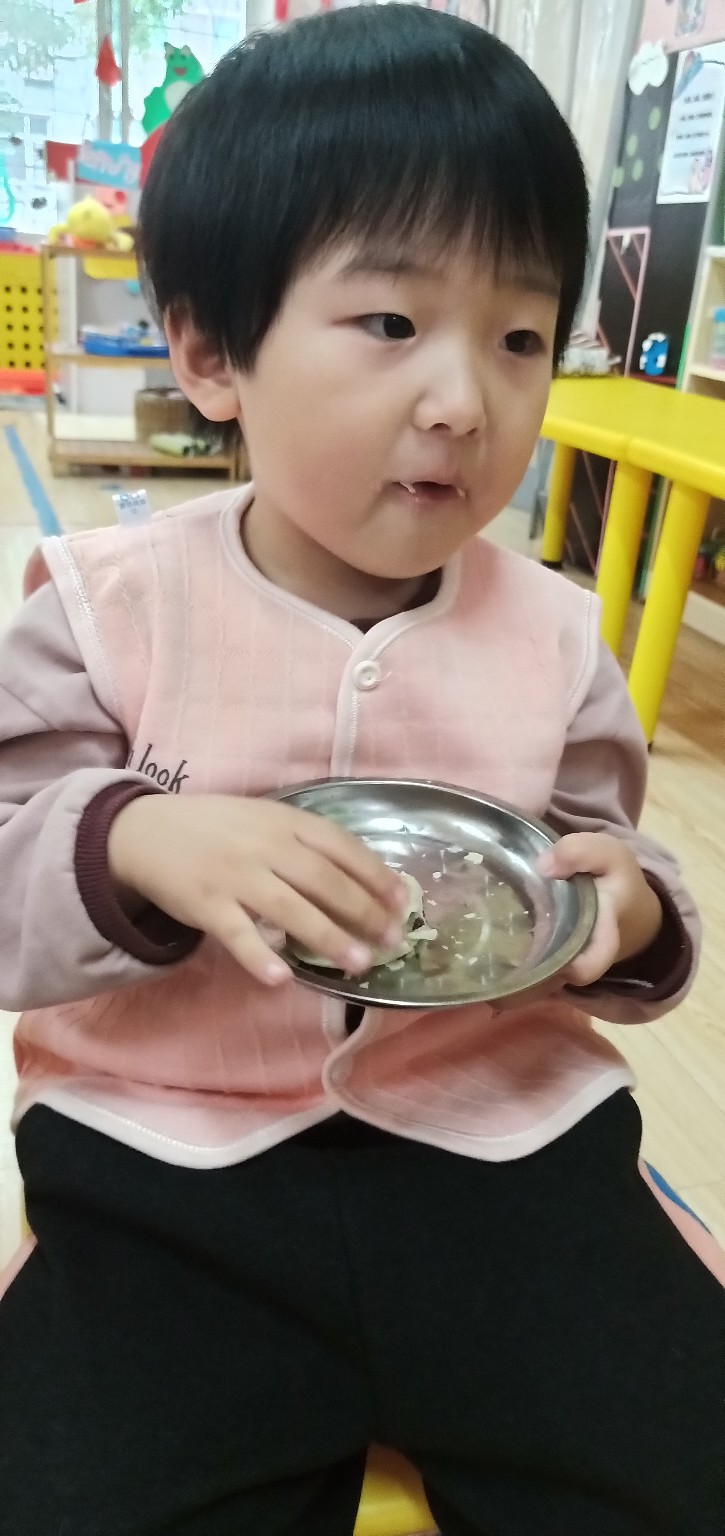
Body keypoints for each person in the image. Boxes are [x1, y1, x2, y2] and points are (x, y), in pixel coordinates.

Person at [0, 8, 722, 1532]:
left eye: (517, 338)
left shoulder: (553, 636)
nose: (463, 400)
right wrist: (132, 844)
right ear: (211, 352)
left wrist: (631, 913)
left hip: (502, 1145)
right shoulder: (109, 608)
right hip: (166, 1161)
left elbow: (604, 855)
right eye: (391, 323)